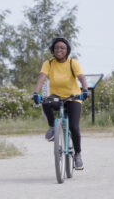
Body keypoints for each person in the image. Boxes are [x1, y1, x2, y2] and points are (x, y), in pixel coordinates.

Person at [32, 37, 89, 170]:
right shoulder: (49, 63)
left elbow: (81, 77)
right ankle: (52, 127)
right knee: (45, 101)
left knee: (74, 127)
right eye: (56, 48)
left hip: (73, 97)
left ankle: (78, 155)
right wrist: (35, 92)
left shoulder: (72, 63)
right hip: (57, 97)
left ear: (67, 50)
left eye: (62, 48)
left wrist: (85, 90)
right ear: (53, 50)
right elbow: (42, 77)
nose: (59, 50)